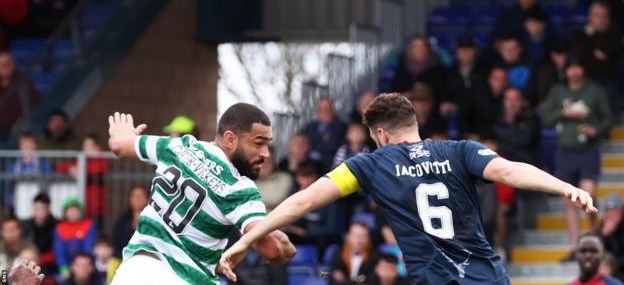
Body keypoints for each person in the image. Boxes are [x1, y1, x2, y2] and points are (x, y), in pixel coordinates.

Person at [220, 93, 598, 284]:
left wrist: (246, 239)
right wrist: (565, 187)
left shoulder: (370, 164)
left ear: (381, 134)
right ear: (413, 123)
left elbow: (304, 200)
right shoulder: (458, 150)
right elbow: (511, 171)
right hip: (488, 278)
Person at [107, 105, 296, 285]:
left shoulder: (178, 146)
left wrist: (123, 133)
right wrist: (288, 248)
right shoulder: (239, 188)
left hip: (134, 271)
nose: (266, 153)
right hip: (185, 279)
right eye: (258, 143)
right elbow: (271, 249)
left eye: (267, 145)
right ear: (230, 139)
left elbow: (118, 145)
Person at [543, 59, 613, 258]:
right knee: (569, 201)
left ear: (583, 69)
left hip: (588, 150)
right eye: (570, 67)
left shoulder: (594, 91)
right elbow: (547, 118)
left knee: (588, 194)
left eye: (577, 66)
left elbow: (608, 118)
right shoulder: (558, 91)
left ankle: (594, 237)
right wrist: (562, 112)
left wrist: (596, 129)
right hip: (565, 152)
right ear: (566, 71)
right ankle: (576, 247)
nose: (574, 71)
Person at [569, 2, 622, 112]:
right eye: (598, 15)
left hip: (608, 80)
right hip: (585, 79)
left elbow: (608, 52)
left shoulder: (614, 34)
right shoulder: (579, 35)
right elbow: (578, 54)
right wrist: (589, 39)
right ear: (590, 17)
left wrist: (589, 45)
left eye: (605, 15)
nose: (602, 19)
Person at [282, 160, 341, 256]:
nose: (306, 181)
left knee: (323, 241)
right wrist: (300, 199)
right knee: (284, 238)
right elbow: (292, 222)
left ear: (316, 177)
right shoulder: (294, 196)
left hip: (319, 237)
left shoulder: (327, 197)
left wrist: (306, 232)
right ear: (297, 178)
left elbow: (332, 228)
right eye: (303, 176)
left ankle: (322, 269)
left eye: (309, 176)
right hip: (300, 235)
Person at [440, 35, 488, 134]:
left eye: (468, 50)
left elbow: (483, 97)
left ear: (474, 51)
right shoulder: (450, 72)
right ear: (457, 52)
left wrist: (458, 105)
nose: (465, 53)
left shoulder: (485, 70)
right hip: (459, 117)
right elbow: (446, 94)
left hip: (479, 117)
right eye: (462, 50)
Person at [56, 134, 108, 222]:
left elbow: (96, 171)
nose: (85, 149)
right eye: (84, 146)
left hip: (96, 208)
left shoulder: (102, 159)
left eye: (88, 145)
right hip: (82, 206)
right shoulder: (82, 160)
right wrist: (70, 169)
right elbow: (60, 167)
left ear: (97, 147)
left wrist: (81, 173)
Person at [492, 87, 540, 165]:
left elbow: (523, 140)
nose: (512, 103)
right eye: (508, 99)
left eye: (515, 99)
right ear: (503, 101)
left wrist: (498, 145)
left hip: (527, 165)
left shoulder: (531, 118)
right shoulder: (498, 118)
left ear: (522, 101)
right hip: (504, 166)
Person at [54, 197, 97, 280]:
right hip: (65, 267)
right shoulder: (60, 227)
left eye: (75, 209)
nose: (73, 212)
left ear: (81, 211)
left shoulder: (88, 225)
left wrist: (80, 266)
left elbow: (88, 248)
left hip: (84, 264)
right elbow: (59, 251)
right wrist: (63, 268)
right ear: (65, 212)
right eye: (70, 209)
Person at [0, 53, 39, 142]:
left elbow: (35, 104)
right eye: (1, 64)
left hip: (18, 127)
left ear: (14, 65)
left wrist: (21, 122)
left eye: (8, 63)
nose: (5, 66)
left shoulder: (23, 81)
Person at [460, 66, 507, 138]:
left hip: (500, 137)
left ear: (507, 81)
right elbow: (464, 114)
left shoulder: (510, 96)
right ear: (489, 79)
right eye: (496, 78)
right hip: (475, 135)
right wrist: (468, 134)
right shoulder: (477, 94)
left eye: (502, 79)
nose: (499, 81)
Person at [303, 98, 348, 171]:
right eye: (321, 109)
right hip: (309, 164)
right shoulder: (310, 127)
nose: (324, 111)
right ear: (317, 111)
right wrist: (321, 137)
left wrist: (316, 143)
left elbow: (333, 146)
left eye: (328, 109)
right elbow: (306, 144)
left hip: (330, 164)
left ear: (333, 111)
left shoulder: (342, 126)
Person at [22, 193, 57, 275]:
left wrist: (38, 259)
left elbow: (57, 250)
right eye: (37, 208)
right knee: (3, 273)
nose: (40, 212)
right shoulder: (26, 226)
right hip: (25, 262)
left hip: (47, 265)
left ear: (49, 209)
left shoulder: (56, 226)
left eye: (43, 208)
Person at [495, 35, 536, 104]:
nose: (509, 52)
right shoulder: (494, 68)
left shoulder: (530, 66)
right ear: (500, 51)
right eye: (505, 49)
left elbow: (534, 91)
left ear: (520, 49)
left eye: (513, 48)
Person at [111, 186, 148, 258]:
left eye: (141, 196)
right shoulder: (122, 221)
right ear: (130, 199)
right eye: (134, 196)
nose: (137, 199)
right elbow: (117, 244)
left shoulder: (153, 220)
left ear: (147, 198)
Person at [600, 193, 624, 277]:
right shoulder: (603, 226)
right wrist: (604, 236)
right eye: (608, 211)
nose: (611, 214)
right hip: (612, 268)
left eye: (615, 211)